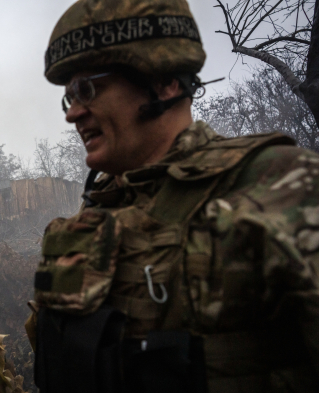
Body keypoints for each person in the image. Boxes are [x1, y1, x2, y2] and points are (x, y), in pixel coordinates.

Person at [27, 1, 319, 392]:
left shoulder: (283, 184)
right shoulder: (98, 209)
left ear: (164, 81)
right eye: (69, 97)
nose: (72, 114)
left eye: (87, 89)